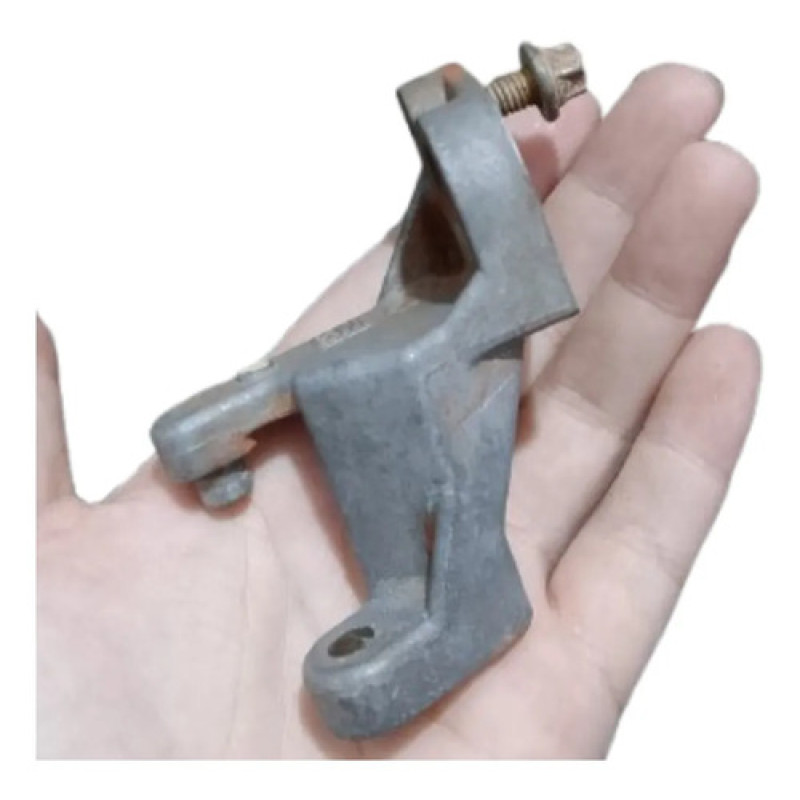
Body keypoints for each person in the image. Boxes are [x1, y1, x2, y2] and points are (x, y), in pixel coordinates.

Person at [36, 63, 761, 759]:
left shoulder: (464, 311)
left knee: (371, 369)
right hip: (445, 318)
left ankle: (469, 603)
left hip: (464, 337)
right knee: (360, 365)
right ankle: (463, 603)